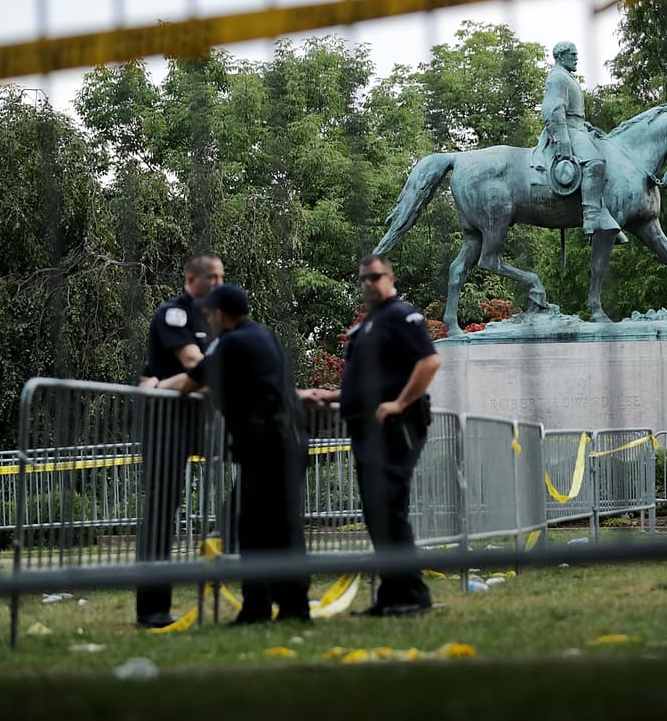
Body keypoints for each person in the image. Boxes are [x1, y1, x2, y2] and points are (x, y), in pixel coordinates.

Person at [157, 283, 326, 625]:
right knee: (280, 526)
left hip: (267, 446)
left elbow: (194, 380)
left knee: (254, 527)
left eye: (209, 313)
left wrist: (157, 386)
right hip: (287, 439)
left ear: (220, 314)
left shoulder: (229, 342)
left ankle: (261, 607)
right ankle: (291, 606)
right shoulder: (263, 335)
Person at [314, 254, 441, 616]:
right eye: (364, 279)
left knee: (387, 506)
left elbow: (429, 361)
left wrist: (400, 403)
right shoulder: (372, 323)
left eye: (375, 277)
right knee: (377, 510)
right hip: (367, 427)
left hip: (395, 426)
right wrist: (334, 395)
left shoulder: (402, 315)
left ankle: (413, 595)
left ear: (390, 277)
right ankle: (392, 593)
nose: (369, 283)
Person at [133, 253, 224, 629]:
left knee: (253, 486)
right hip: (167, 423)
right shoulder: (175, 313)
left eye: (222, 277)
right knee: (160, 512)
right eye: (211, 278)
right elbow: (194, 364)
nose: (219, 284)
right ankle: (152, 609)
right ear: (191, 281)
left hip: (205, 421)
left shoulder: (221, 319)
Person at [540, 40, 625, 242]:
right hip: (567, 130)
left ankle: (606, 215)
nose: (577, 58)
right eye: (573, 55)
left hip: (578, 128)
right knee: (595, 163)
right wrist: (562, 140)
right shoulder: (558, 78)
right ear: (561, 56)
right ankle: (591, 218)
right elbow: (553, 110)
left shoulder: (567, 77)